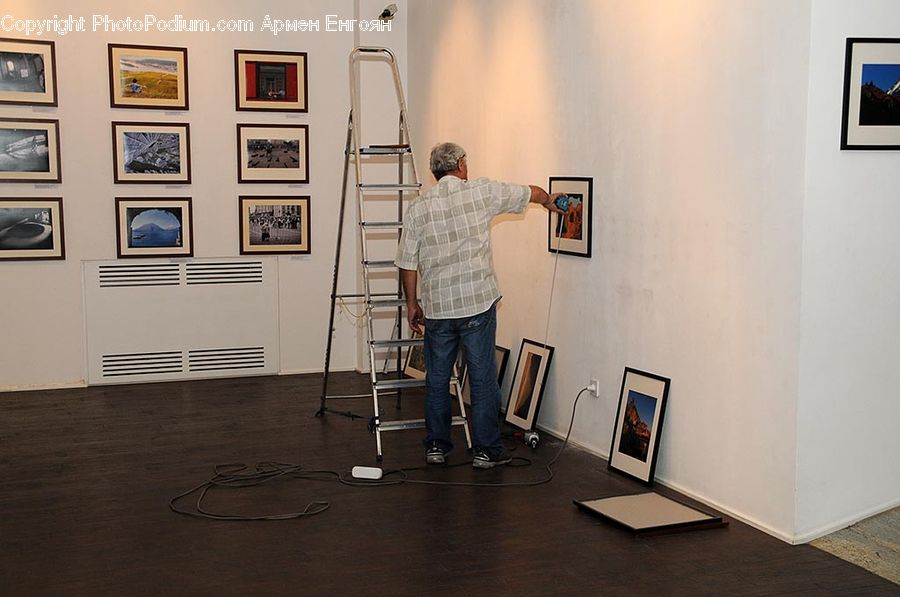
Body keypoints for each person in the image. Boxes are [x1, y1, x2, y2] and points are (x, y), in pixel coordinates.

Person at [395, 142, 563, 469]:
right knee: (483, 377)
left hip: (439, 309)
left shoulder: (419, 207)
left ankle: (436, 447)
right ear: (460, 165)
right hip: (476, 305)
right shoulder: (481, 192)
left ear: (435, 172)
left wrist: (411, 304)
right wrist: (549, 201)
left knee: (437, 379)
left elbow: (407, 262)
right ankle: (486, 452)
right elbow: (528, 192)